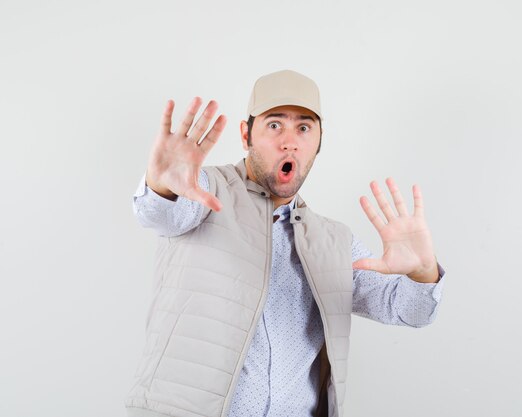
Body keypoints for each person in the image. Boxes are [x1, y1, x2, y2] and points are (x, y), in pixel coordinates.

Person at [125, 70, 445, 417]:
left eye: (304, 128)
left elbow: (410, 311)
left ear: (319, 143)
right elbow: (158, 213)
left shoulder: (334, 241)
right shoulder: (204, 190)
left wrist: (423, 270)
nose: (289, 141)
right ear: (246, 133)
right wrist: (162, 184)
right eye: (275, 125)